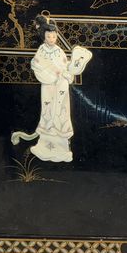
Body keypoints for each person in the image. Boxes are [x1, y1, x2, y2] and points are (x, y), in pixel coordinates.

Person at [11, 14, 92, 162]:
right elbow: (38, 66)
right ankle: (45, 146)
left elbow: (64, 65)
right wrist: (52, 76)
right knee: (49, 111)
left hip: (61, 86)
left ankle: (62, 148)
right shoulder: (41, 51)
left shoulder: (59, 50)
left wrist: (69, 70)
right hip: (49, 86)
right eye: (49, 36)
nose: (52, 39)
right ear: (44, 36)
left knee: (61, 112)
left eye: (54, 36)